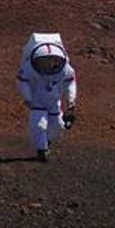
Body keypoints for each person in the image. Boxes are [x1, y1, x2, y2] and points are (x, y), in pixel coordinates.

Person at [15, 33, 78, 162]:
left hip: (54, 103)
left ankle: (46, 141)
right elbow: (22, 82)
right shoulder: (29, 68)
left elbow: (70, 82)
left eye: (52, 61)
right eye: (44, 61)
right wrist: (28, 98)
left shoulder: (65, 69)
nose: (48, 64)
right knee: (39, 126)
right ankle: (41, 150)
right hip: (37, 102)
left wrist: (71, 101)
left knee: (59, 127)